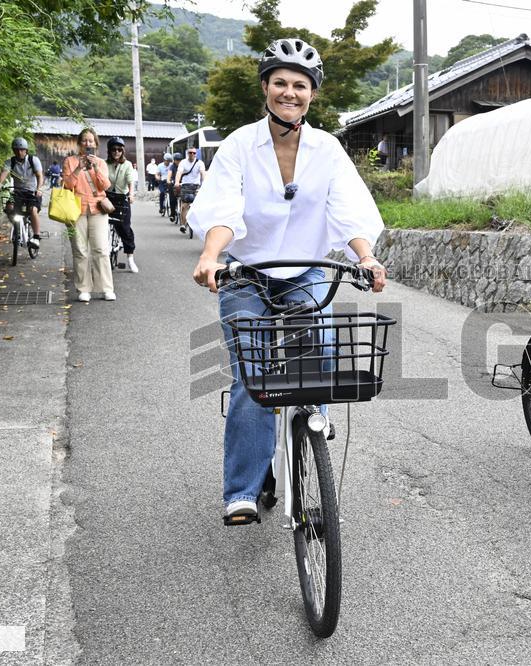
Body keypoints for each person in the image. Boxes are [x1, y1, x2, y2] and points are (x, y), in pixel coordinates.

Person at [190, 37, 388, 522]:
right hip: (246, 271)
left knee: (315, 353)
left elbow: (349, 211)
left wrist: (366, 256)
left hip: (303, 269)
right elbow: (223, 209)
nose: (289, 92)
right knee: (251, 376)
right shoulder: (239, 145)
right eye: (280, 82)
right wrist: (212, 255)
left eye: (300, 85)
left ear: (312, 94)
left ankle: (311, 419)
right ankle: (242, 489)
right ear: (265, 87)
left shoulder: (328, 149)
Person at [61, 127, 116, 302]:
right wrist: (78, 168)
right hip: (75, 210)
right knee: (80, 250)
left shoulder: (100, 163)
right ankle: (83, 288)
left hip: (98, 209)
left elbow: (105, 186)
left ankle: (106, 288)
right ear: (79, 144)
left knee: (101, 248)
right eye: (84, 140)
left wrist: (94, 169)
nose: (87, 143)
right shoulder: (69, 161)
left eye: (91, 141)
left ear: (95, 144)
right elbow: (68, 185)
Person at [0, 138, 43, 249]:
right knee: (9, 208)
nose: (19, 152)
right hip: (17, 192)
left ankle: (36, 237)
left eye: (21, 150)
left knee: (32, 210)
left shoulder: (33, 160)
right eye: (16, 150)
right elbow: (4, 172)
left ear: (26, 150)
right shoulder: (10, 162)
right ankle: (16, 226)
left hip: (32, 192)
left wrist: (39, 189)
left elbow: (40, 176)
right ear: (13, 150)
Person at [105, 136, 138, 273]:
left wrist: (131, 194)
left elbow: (130, 181)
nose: (116, 152)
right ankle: (104, 254)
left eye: (119, 149)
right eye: (113, 149)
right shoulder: (104, 164)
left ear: (122, 151)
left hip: (122, 198)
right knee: (103, 225)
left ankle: (130, 258)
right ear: (109, 151)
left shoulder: (127, 164)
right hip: (106, 197)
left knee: (125, 228)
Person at [174, 146, 205, 234]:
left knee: (199, 205)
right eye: (190, 152)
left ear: (196, 154)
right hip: (185, 186)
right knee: (184, 206)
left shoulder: (200, 163)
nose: (192, 154)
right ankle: (183, 225)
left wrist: (204, 184)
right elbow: (179, 172)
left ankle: (198, 222)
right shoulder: (183, 162)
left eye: (194, 153)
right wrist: (177, 182)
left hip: (196, 186)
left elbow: (203, 174)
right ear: (187, 153)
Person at [167, 152, 183, 224]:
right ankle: (172, 214)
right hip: (173, 183)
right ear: (174, 160)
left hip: (182, 183)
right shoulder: (172, 166)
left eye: (179, 160)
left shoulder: (183, 165)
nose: (178, 161)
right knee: (172, 199)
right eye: (177, 160)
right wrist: (168, 180)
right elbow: (169, 174)